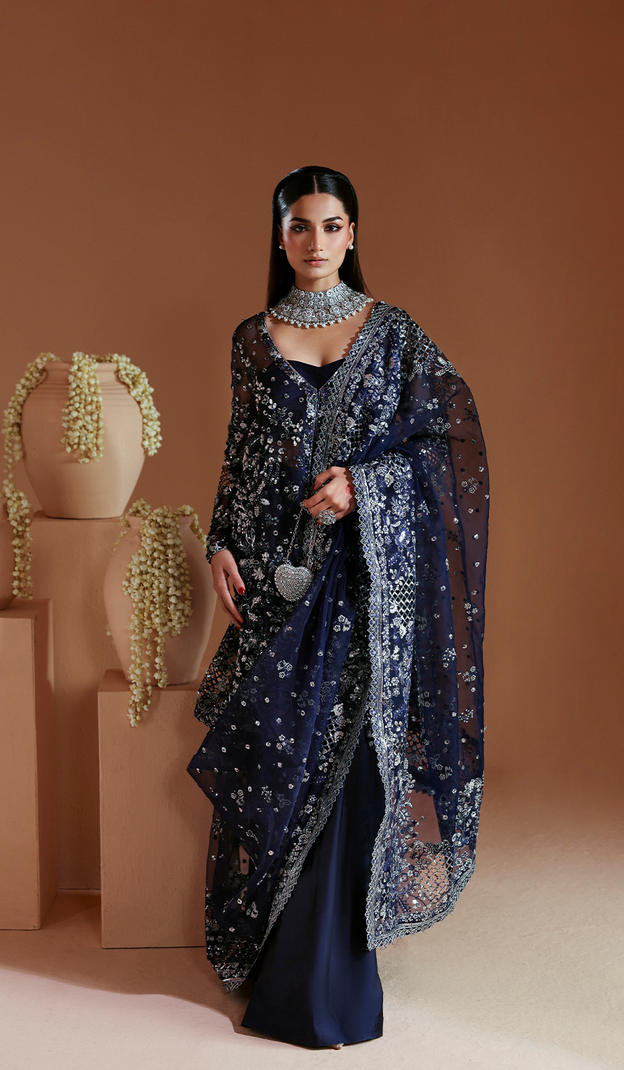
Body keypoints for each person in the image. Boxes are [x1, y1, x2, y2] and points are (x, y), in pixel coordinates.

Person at [188, 165, 488, 1049]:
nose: (313, 242)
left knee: (348, 767)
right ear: (278, 235)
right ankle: (283, 953)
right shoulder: (252, 339)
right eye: (297, 226)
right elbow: (241, 453)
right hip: (278, 580)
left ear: (352, 234)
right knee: (281, 761)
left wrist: (365, 485)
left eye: (329, 226)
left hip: (363, 590)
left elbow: (451, 443)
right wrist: (218, 543)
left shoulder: (394, 336)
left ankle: (330, 980)